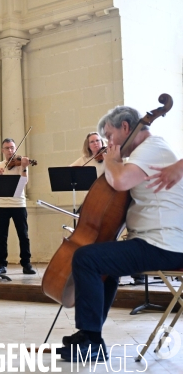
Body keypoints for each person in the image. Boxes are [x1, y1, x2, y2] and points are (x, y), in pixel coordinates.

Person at [59, 106, 183, 362]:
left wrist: (113, 161)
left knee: (86, 258)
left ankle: (91, 340)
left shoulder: (152, 147)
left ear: (126, 128)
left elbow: (120, 182)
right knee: (105, 266)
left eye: (109, 135)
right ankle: (89, 335)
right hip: (155, 242)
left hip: (163, 245)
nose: (107, 143)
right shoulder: (143, 153)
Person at [0, 139, 36, 275]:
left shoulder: (21, 164)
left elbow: (24, 183)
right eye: (7, 148)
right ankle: (2, 264)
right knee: (1, 236)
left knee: (23, 235)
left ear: (15, 149)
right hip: (2, 205)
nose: (10, 151)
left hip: (19, 204)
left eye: (12, 148)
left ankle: (26, 263)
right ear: (2, 150)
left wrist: (25, 167)